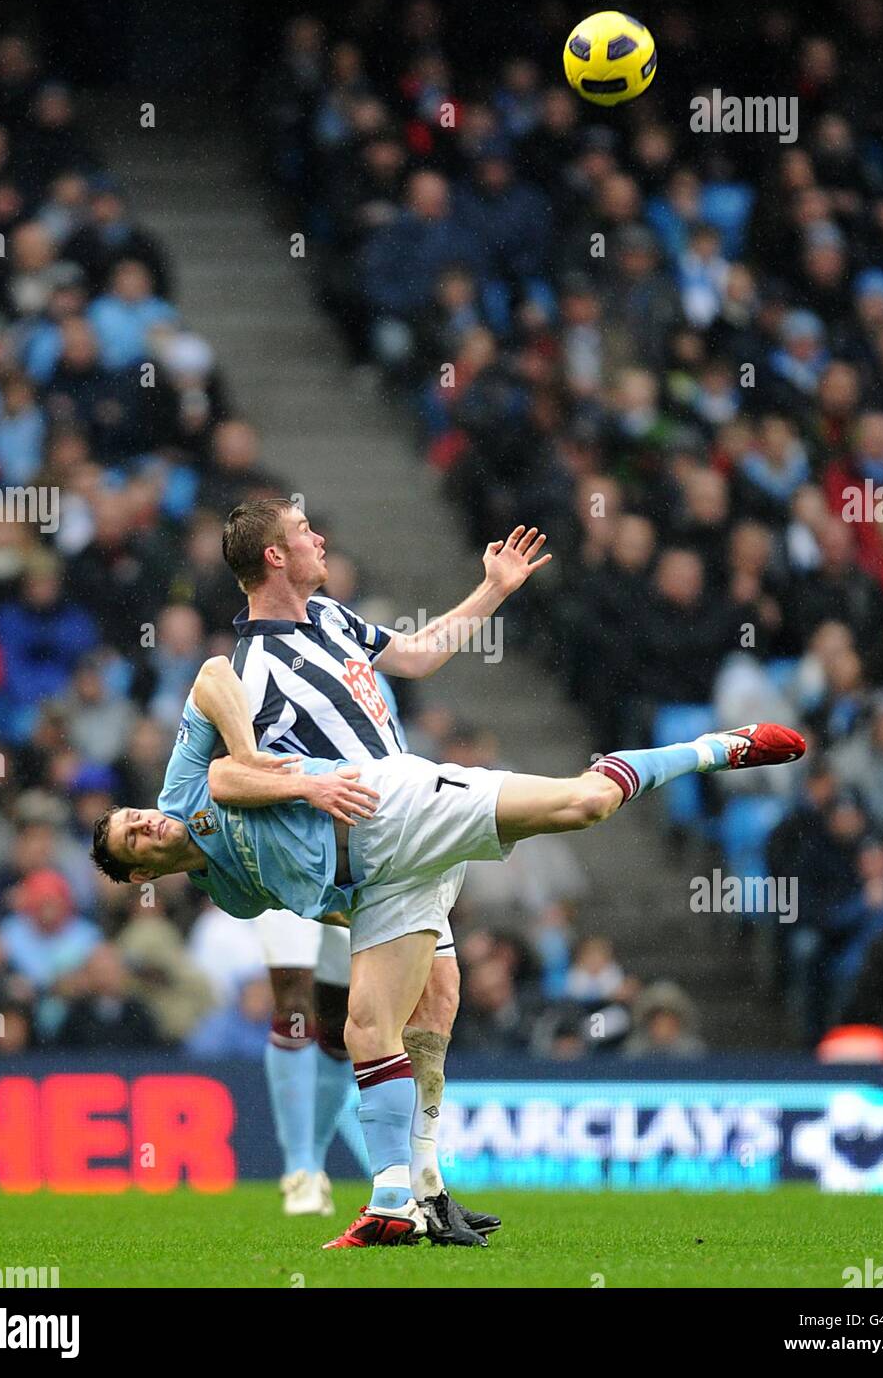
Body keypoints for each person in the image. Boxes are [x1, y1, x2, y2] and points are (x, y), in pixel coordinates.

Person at [92, 614, 805, 1249]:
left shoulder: (184, 788)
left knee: (583, 803)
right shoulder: (230, 894)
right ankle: (416, 1193)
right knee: (399, 1022)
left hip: (398, 811)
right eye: (135, 840)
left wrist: (248, 757)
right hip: (384, 877)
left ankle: (717, 747)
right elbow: (318, 902)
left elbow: (215, 674)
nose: (148, 824)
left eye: (135, 816)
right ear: (138, 878)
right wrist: (394, 933)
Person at [222, 498, 523, 1243]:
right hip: (323, 857)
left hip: (401, 821)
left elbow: (416, 656)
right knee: (343, 1013)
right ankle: (325, 1174)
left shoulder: (328, 616)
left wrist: (492, 590)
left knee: (437, 997)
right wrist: (305, 787)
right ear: (273, 558)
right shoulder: (248, 669)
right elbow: (229, 776)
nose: (320, 537)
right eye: (302, 533)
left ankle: (422, 1184)